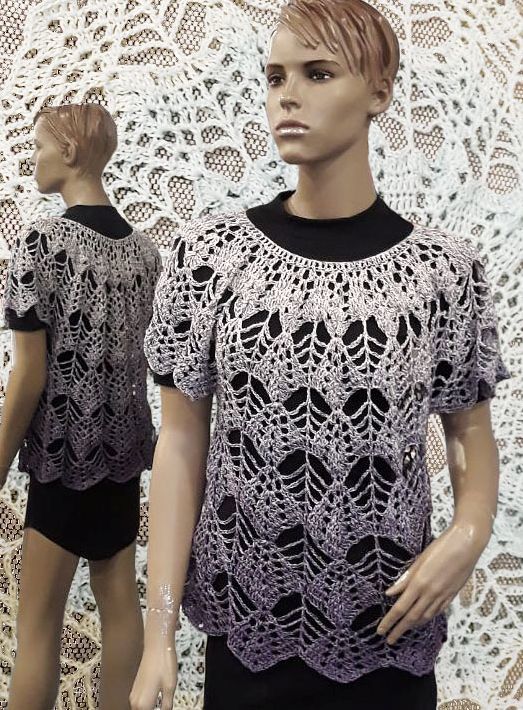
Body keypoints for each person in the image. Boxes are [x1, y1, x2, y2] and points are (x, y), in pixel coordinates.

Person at [130, 1, 511, 709]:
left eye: (318, 73)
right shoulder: (212, 260)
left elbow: (469, 431)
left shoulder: (441, 273)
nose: (288, 96)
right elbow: (180, 444)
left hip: (393, 627)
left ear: (379, 92)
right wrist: (159, 634)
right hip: (247, 631)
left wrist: (468, 532)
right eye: (275, 77)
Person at [0, 103, 162, 710]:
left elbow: (30, 375)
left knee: (38, 622)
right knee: (119, 605)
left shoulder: (44, 242)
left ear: (68, 152)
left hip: (63, 459)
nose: (33, 159)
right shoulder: (145, 253)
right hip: (122, 458)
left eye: (39, 147)